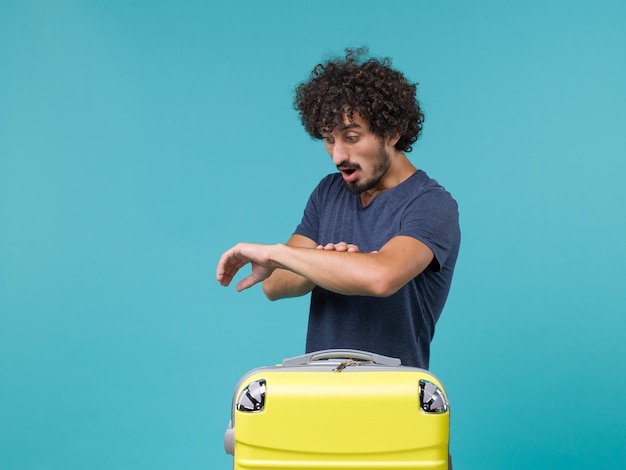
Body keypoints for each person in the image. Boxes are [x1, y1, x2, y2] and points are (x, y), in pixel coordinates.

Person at [216, 47, 460, 369]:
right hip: (321, 391)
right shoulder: (329, 192)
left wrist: (284, 255)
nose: (337, 155)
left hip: (394, 398)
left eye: (352, 137)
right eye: (329, 139)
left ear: (392, 132)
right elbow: (275, 285)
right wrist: (330, 263)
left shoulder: (431, 203)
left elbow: (382, 277)